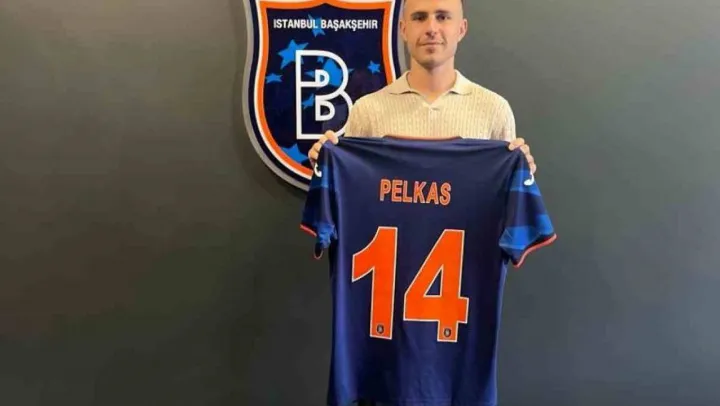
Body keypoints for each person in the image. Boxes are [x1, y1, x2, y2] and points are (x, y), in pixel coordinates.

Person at [307, 0, 537, 174]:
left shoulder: (494, 110)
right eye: (419, 17)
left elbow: (505, 205)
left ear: (461, 29)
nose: (431, 28)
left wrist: (520, 174)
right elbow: (351, 194)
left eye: (443, 17)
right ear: (403, 29)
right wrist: (327, 168)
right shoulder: (367, 111)